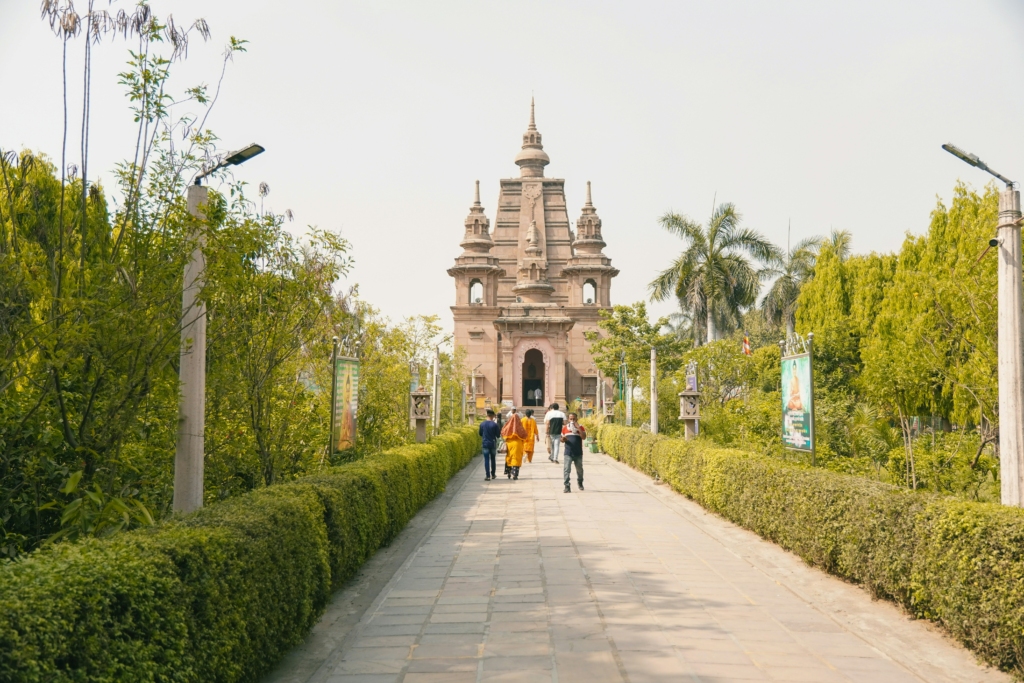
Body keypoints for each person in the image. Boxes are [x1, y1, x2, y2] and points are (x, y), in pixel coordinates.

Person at [561, 412, 587, 493]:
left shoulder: (581, 428)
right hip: (568, 452)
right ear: (568, 420)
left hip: (578, 453)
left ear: (577, 419)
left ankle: (580, 482)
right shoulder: (565, 428)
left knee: (579, 470)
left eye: (574, 419)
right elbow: (561, 439)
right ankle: (567, 485)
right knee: (566, 469)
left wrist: (578, 427)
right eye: (570, 419)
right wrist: (563, 439)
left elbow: (583, 437)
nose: (572, 420)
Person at [501, 407, 528, 480]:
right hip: (518, 444)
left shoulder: (507, 426)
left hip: (509, 443)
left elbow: (503, 433)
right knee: (516, 458)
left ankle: (509, 473)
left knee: (509, 457)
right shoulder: (520, 427)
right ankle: (515, 474)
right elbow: (525, 435)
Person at [479, 409, 501, 481]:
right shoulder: (494, 425)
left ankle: (487, 476)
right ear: (492, 416)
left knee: (486, 459)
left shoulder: (482, 424)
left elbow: (480, 433)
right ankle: (493, 474)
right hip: (492, 443)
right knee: (493, 459)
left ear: (487, 415)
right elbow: (498, 435)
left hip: (485, 443)